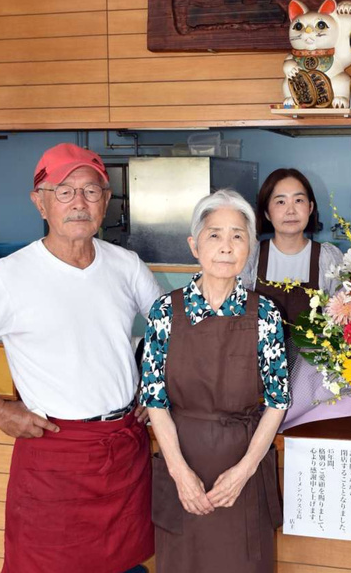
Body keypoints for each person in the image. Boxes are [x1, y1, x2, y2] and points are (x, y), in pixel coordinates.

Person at [0, 143, 162, 573]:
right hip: (53, 456)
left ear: (106, 201)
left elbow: (170, 333)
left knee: (127, 565)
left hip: (124, 452)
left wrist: (157, 388)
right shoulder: (6, 278)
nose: (79, 203)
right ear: (39, 202)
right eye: (63, 191)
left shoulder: (126, 265)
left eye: (91, 191)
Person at [141, 189, 289, 573]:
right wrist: (179, 473)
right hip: (182, 461)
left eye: (238, 236)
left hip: (243, 462)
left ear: (250, 247)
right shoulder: (164, 311)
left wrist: (244, 471)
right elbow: (154, 400)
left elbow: (277, 401)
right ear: (194, 245)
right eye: (215, 235)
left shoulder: (266, 313)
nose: (226, 246)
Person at [241, 168, 343, 366]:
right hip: (258, 371)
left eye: (298, 200)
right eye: (280, 201)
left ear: (311, 207)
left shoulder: (328, 258)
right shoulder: (250, 257)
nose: (290, 210)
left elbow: (342, 319)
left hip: (314, 375)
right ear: (266, 213)